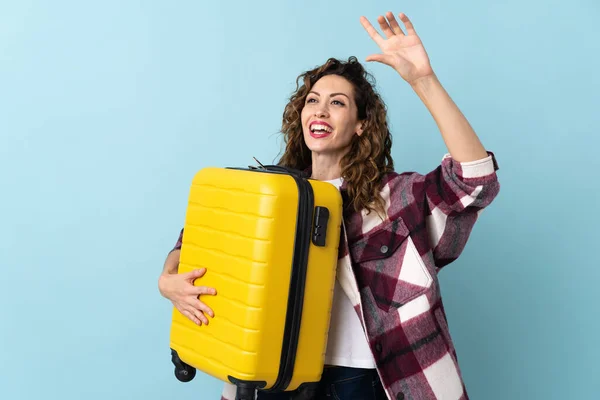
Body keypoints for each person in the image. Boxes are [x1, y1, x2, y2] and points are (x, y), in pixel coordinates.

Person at [158, 11, 500, 400]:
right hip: (275, 378)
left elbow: (475, 182)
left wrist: (423, 80)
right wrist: (167, 281)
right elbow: (192, 245)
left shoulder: (397, 198)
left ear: (360, 125)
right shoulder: (267, 195)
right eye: (312, 101)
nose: (319, 110)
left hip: (365, 383)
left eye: (337, 103)